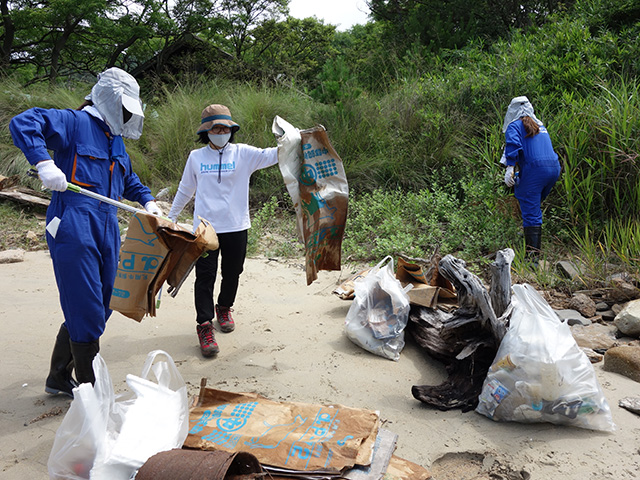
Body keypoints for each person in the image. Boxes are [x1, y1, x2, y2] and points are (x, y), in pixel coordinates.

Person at [9, 67, 162, 396]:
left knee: (106, 299)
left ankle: (58, 376)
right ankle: (90, 392)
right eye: (122, 108)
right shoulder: (74, 123)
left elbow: (128, 179)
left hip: (107, 223)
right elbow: (24, 122)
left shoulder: (115, 139)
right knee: (86, 307)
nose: (125, 115)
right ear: (108, 100)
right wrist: (44, 162)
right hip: (74, 222)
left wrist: (147, 201)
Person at [168, 104, 278, 358]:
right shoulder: (196, 157)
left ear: (231, 129)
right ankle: (204, 325)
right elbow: (186, 190)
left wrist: (298, 138)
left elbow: (274, 154)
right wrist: (171, 217)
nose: (221, 132)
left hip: (237, 225)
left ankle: (224, 307)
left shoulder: (244, 154)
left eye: (225, 127)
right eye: (215, 128)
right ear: (206, 132)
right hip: (206, 229)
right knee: (205, 277)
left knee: (233, 273)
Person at [501, 96, 561, 264]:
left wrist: (510, 168)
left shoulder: (514, 126)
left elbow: (513, 145)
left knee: (530, 209)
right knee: (532, 205)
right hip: (553, 168)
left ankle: (532, 261)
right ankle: (528, 232)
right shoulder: (540, 126)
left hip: (535, 170)